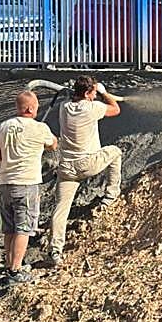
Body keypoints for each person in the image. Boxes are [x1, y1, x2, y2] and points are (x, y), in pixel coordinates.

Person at [46, 76, 122, 265]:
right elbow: (116, 109)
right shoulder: (92, 108)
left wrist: (85, 91)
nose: (95, 95)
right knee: (115, 152)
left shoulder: (64, 108)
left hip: (66, 168)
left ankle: (55, 251)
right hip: (87, 164)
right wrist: (104, 93)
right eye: (93, 93)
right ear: (88, 94)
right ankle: (111, 194)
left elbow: (70, 98)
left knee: (60, 210)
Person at [0, 90, 58, 285]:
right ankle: (16, 271)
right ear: (30, 108)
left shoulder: (4, 126)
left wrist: (9, 159)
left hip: (6, 185)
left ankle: (10, 265)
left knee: (9, 229)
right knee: (23, 229)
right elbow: (53, 145)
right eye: (36, 107)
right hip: (26, 185)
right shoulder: (40, 128)